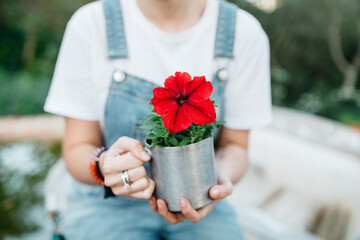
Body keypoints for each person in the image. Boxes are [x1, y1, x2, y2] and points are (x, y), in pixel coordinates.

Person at [44, 0, 272, 239]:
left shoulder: (243, 32)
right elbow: (76, 148)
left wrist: (218, 176)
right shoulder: (91, 23)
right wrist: (103, 166)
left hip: (199, 198)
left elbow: (235, 146)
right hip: (108, 201)